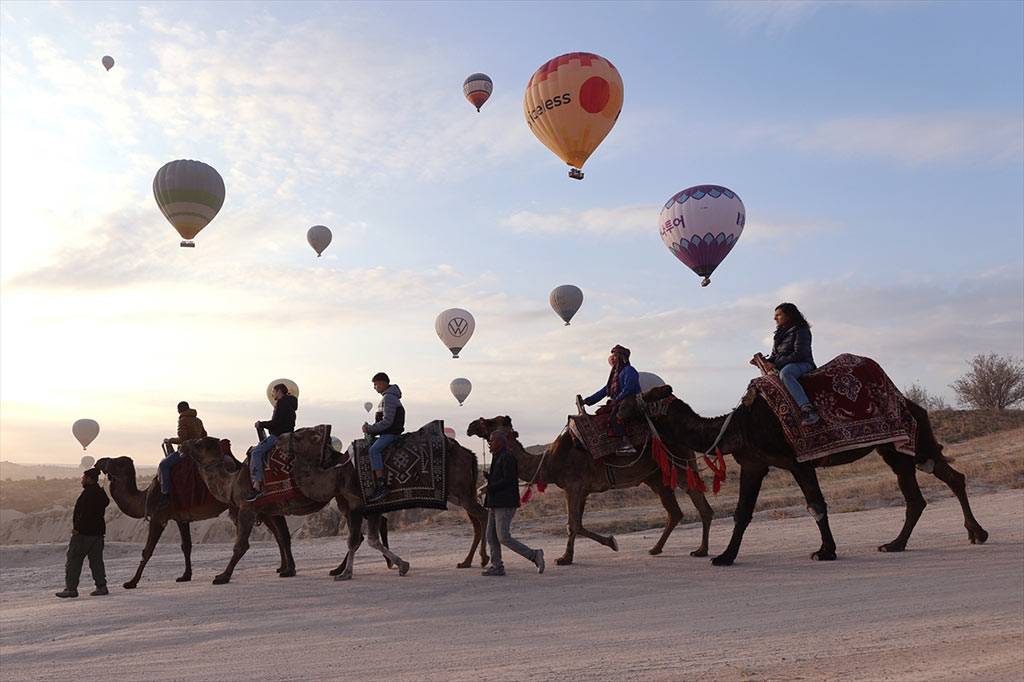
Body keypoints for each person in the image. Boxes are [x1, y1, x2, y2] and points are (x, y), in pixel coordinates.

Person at [479, 430, 544, 577]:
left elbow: (508, 481)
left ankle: (534, 555)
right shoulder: (498, 457)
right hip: (495, 502)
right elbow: (500, 478)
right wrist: (489, 478)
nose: (489, 443)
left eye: (492, 440)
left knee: (503, 537)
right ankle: (497, 566)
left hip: (505, 503)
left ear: (501, 442)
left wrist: (490, 487)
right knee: (491, 536)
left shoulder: (507, 458)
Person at [751, 302, 820, 426]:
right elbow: (775, 356)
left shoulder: (801, 330)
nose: (775, 318)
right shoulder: (779, 335)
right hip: (785, 364)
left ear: (789, 315)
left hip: (803, 363)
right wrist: (763, 362)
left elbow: (800, 353)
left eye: (778, 315)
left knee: (786, 373)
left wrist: (776, 364)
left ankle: (808, 409)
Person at [56, 468, 110, 598]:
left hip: (83, 534)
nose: (82, 480)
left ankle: (71, 589)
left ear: (90, 479)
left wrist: (78, 529)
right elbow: (104, 504)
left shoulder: (88, 494)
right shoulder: (99, 493)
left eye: (83, 478)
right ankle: (101, 586)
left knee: (74, 561)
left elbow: (85, 514)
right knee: (96, 562)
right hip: (97, 534)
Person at [582, 344, 642, 454]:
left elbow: (629, 388)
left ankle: (627, 444)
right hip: (620, 401)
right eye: (612, 356)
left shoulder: (629, 370)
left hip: (630, 400)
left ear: (621, 357)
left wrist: (617, 399)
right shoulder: (615, 377)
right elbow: (605, 391)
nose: (612, 358)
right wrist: (588, 401)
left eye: (615, 356)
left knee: (617, 417)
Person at [150, 401, 207, 515]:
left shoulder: (183, 420)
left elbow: (182, 439)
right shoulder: (198, 420)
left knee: (164, 465)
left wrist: (170, 440)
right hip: (198, 451)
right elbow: (204, 435)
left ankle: (165, 493)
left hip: (187, 451)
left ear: (179, 410)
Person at [246, 383, 298, 502]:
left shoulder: (282, 403)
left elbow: (276, 422)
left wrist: (261, 424)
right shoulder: (290, 404)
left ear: (279, 391)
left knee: (256, 453)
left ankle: (257, 486)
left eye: (274, 391)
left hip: (278, 436)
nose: (272, 394)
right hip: (288, 434)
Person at [362, 372, 404, 503]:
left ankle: (381, 486)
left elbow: (387, 422)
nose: (375, 387)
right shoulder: (389, 397)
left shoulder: (389, 398)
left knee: (373, 450)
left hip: (390, 434)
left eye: (376, 384)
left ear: (383, 383)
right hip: (387, 432)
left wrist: (370, 428)